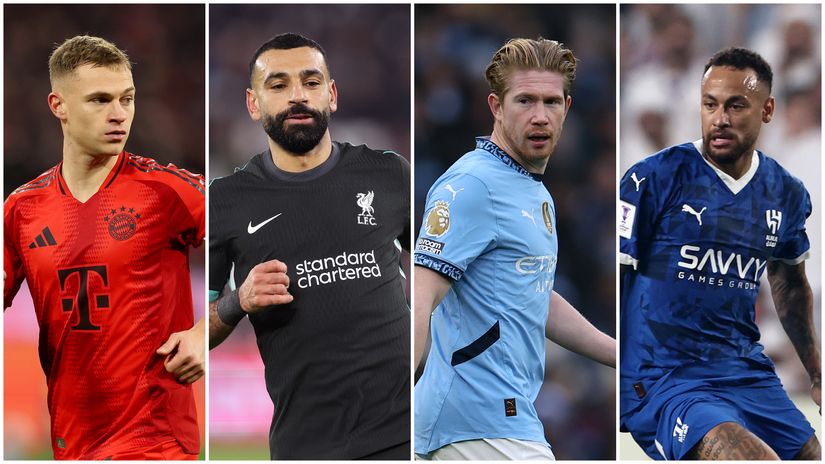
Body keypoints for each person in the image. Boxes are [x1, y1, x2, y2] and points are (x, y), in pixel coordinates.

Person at [208, 33, 410, 460]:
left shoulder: (389, 174)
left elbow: (441, 273)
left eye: (311, 82)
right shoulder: (225, 201)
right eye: (278, 85)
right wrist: (237, 301)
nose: (297, 96)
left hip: (406, 435)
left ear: (332, 94)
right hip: (307, 445)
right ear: (253, 103)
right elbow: (192, 334)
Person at [413, 37, 616, 460]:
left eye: (551, 102)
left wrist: (623, 356)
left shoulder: (533, 191)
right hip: (471, 420)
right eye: (525, 101)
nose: (540, 116)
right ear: (496, 106)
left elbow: (533, 295)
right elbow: (420, 294)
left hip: (504, 416)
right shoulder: (470, 186)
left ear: (567, 109)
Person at [3, 35, 205, 460]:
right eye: (99, 100)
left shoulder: (165, 191)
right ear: (58, 105)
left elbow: (258, 237)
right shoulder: (22, 209)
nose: (119, 115)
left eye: (127, 99)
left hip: (156, 441)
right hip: (71, 442)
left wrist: (207, 330)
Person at [619, 47, 821, 460]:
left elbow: (790, 287)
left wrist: (816, 374)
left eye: (736, 106)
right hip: (666, 378)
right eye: (709, 104)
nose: (720, 118)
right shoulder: (653, 178)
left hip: (746, 372)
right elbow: (616, 279)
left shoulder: (785, 192)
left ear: (767, 111)